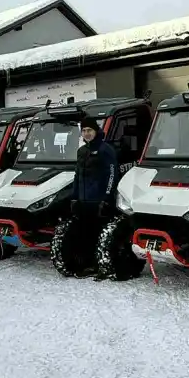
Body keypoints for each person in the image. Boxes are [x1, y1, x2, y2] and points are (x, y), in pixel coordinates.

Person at [69, 117, 118, 275]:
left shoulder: (106, 150)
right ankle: (85, 264)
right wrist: (74, 197)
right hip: (83, 201)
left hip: (98, 201)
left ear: (96, 131)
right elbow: (77, 176)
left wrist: (106, 198)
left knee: (97, 235)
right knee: (83, 235)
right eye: (83, 131)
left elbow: (112, 175)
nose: (86, 133)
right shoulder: (81, 151)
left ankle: (100, 266)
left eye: (89, 130)